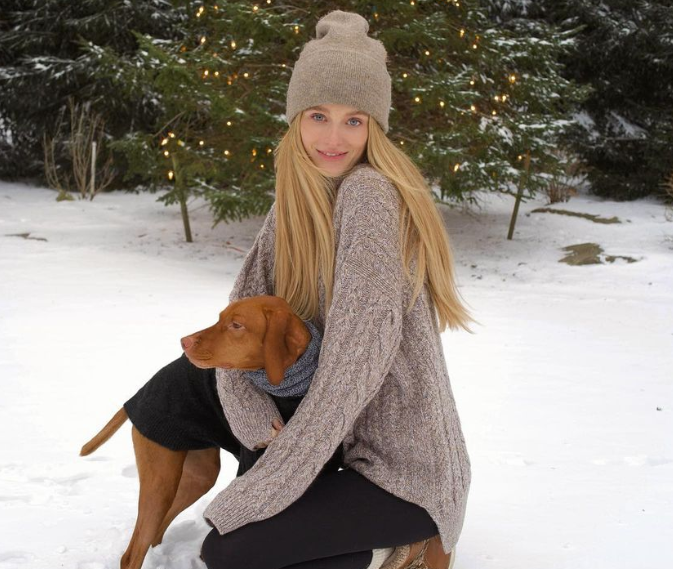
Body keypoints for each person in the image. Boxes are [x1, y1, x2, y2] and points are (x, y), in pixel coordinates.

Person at [125, 9, 475, 569]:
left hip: (400, 470)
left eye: (354, 121)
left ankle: (406, 549)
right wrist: (255, 427)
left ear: (374, 128)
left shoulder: (369, 197)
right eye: (318, 115)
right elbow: (241, 308)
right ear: (296, 119)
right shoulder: (298, 197)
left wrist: (264, 486)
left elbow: (346, 379)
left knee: (233, 552)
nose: (333, 138)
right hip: (341, 447)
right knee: (194, 397)